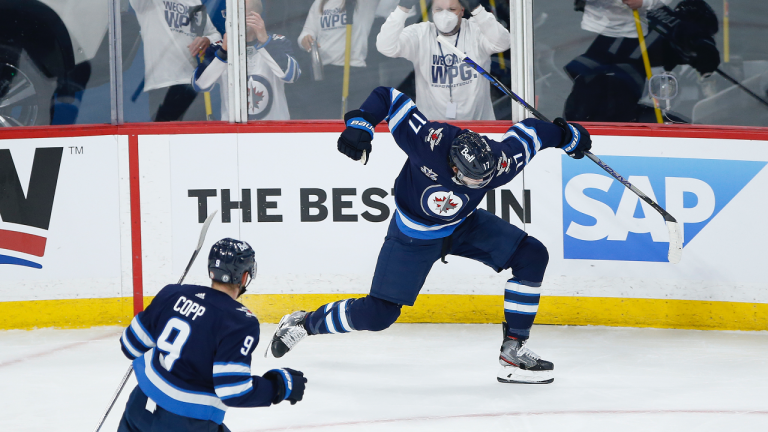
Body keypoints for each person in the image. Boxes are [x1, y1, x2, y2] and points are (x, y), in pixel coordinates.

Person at [266, 86, 592, 384]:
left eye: (485, 181)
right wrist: (360, 125)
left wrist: (568, 136)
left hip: (463, 224)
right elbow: (388, 97)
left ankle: (514, 350)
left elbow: (531, 133)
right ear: (452, 166)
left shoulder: (501, 162)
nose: (481, 185)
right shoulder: (429, 141)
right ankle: (302, 323)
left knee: (532, 255)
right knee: (378, 315)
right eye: (472, 181)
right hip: (413, 236)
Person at [117, 238, 307, 432]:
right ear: (244, 277)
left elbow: (130, 345)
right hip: (187, 423)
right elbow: (233, 391)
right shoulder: (240, 322)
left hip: (139, 408)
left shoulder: (173, 293)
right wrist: (279, 386)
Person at [564, 0, 720, 122]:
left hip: (585, 70)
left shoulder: (648, 8)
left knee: (577, 125)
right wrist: (704, 62)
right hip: (619, 83)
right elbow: (709, 57)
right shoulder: (687, 28)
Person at [376, 0, 510, 120]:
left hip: (478, 128)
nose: (444, 15)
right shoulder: (420, 34)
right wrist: (402, 9)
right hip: (432, 132)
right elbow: (386, 46)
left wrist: (478, 10)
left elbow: (503, 42)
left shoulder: (475, 31)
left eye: (452, 9)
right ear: (432, 11)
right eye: (438, 9)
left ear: (462, 11)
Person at [192, 0, 300, 120]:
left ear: (256, 16)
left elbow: (291, 76)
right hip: (235, 133)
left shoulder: (277, 42)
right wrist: (224, 52)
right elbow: (199, 85)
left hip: (273, 132)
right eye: (229, 14)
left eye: (239, 13)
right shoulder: (219, 47)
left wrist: (265, 41)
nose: (232, 19)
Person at [129, 0, 221, 121]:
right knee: (164, 138)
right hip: (162, 85)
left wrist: (207, 39)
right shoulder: (149, 3)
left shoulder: (194, 2)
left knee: (197, 138)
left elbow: (216, 35)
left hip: (193, 85)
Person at [297, 0, 378, 117]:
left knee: (354, 124)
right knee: (327, 122)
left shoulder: (364, 3)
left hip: (355, 72)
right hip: (326, 73)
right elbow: (307, 32)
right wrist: (305, 40)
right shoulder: (320, 2)